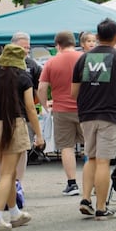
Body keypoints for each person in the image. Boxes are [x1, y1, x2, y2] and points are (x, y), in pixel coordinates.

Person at [72, 18, 116, 221]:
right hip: (111, 115)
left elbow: (73, 92)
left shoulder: (83, 59)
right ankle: (101, 208)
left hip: (86, 115)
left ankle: (86, 199)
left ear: (97, 36)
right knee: (103, 161)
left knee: (91, 158)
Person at [0, 44, 44, 231]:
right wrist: (39, 134)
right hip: (15, 126)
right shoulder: (24, 78)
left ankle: (15, 213)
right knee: (8, 174)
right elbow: (30, 108)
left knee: (7, 173)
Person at [37, 31, 83, 196]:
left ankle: (72, 184)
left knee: (66, 147)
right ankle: (95, 182)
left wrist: (45, 106)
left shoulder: (51, 62)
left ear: (57, 45)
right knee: (92, 145)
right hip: (85, 108)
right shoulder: (84, 58)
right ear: (74, 42)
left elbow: (41, 88)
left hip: (61, 110)